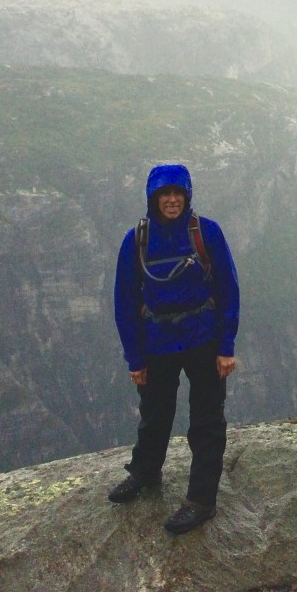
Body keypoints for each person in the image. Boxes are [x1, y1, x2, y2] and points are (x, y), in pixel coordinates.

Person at [109, 163, 240, 535]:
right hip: (158, 341)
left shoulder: (206, 233)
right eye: (164, 194)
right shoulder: (137, 240)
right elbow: (124, 301)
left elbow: (228, 290)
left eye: (177, 193)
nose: (171, 200)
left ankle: (201, 500)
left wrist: (226, 346)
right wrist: (135, 358)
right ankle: (145, 472)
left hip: (204, 338)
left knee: (206, 419)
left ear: (187, 196)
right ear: (153, 198)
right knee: (154, 412)